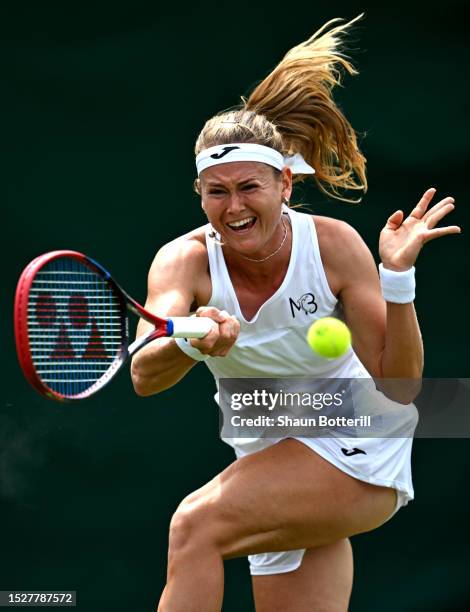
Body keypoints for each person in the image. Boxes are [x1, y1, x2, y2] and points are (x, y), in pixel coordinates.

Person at [130, 15, 460, 612]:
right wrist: (190, 340)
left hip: (359, 431)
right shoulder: (183, 262)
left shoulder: (332, 244)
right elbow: (143, 375)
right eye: (216, 191)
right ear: (200, 194)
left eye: (249, 187)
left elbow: (403, 387)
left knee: (193, 527)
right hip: (268, 446)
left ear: (285, 183)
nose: (232, 208)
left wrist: (398, 279)